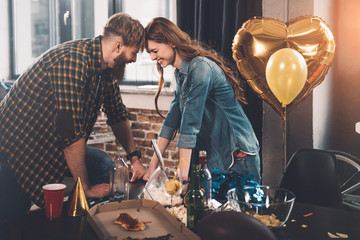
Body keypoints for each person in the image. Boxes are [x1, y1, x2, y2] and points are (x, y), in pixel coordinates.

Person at [0, 13, 146, 237]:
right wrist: (83, 187)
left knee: (103, 164)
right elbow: (71, 135)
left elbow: (117, 114)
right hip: (13, 144)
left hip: (49, 141)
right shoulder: (72, 62)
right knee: (12, 216)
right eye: (134, 52)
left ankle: (90, 225)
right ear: (118, 46)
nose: (134, 59)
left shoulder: (105, 71)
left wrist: (134, 158)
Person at [143, 17, 261, 185]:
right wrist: (152, 166)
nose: (153, 58)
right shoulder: (181, 74)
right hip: (217, 158)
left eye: (155, 51)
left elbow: (190, 123)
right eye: (150, 53)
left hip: (238, 156)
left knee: (244, 211)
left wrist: (182, 177)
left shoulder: (201, 67)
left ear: (171, 42)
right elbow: (172, 120)